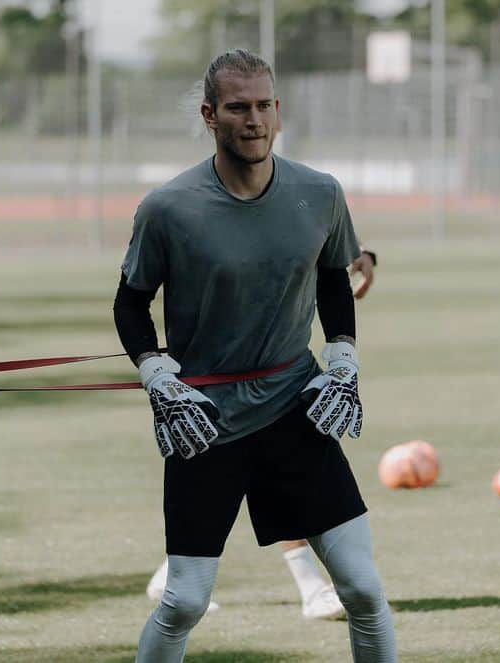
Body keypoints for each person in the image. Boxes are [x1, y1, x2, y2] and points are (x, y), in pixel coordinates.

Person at [113, 48, 396, 663]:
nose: (254, 120)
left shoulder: (319, 192)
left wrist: (343, 357)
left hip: (295, 406)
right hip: (204, 422)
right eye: (238, 108)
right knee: (185, 601)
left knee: (364, 589)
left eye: (265, 105)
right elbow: (130, 304)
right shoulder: (167, 207)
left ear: (278, 110)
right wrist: (155, 371)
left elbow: (331, 279)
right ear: (211, 116)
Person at [144, 249, 378, 621]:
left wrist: (356, 252)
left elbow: (305, 224)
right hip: (223, 369)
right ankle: (311, 590)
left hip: (262, 366)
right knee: (255, 476)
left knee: (245, 480)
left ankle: (172, 574)